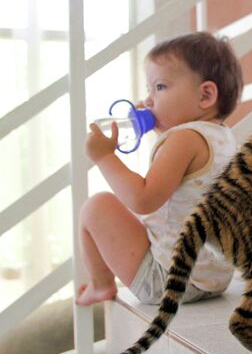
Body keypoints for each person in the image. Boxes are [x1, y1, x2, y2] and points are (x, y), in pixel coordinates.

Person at [75, 32, 243, 306]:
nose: (149, 100)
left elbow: (143, 199)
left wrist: (105, 156)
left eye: (160, 87)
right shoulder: (222, 137)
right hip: (215, 277)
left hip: (166, 281)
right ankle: (101, 283)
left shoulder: (183, 138)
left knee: (96, 207)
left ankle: (101, 284)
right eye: (149, 89)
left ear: (206, 95)